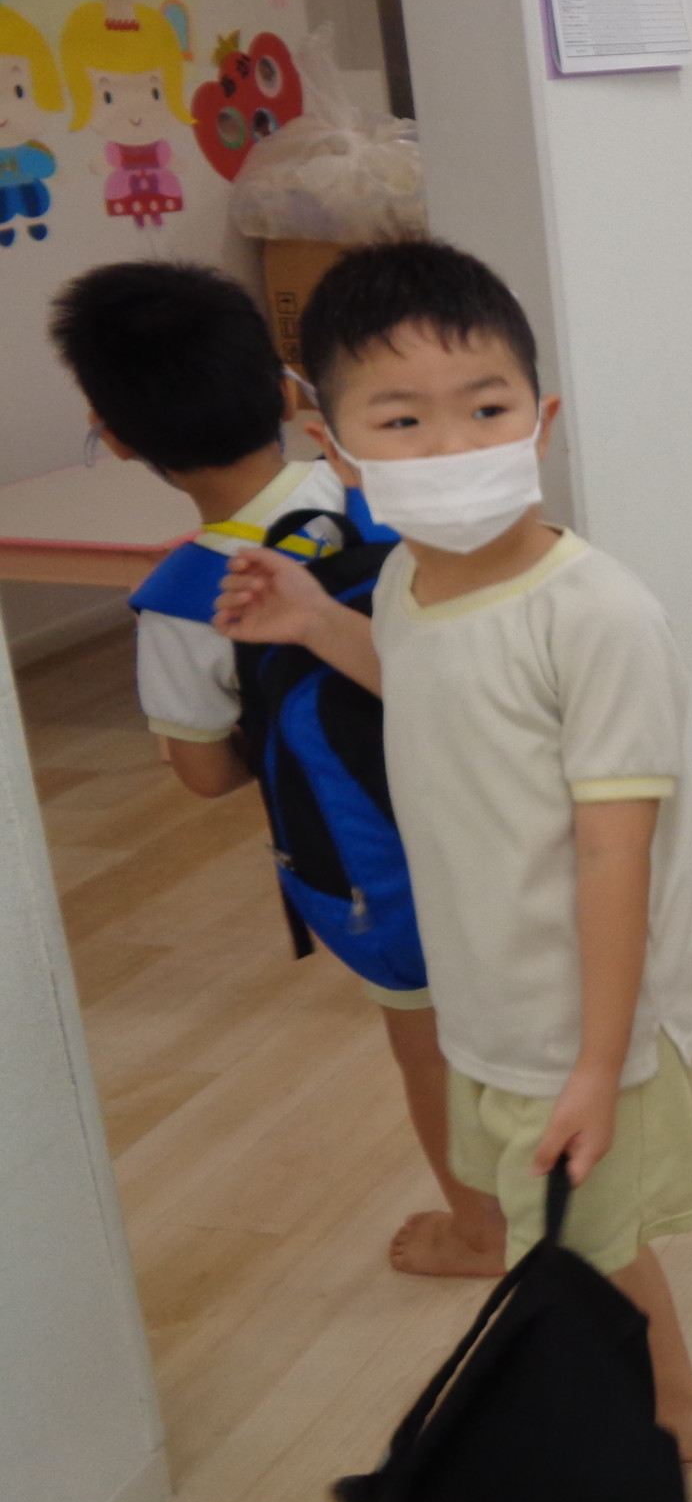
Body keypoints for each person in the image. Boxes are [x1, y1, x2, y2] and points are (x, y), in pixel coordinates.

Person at [214, 241, 692, 1462]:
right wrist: (316, 623)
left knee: (591, 1243)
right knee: (557, 1226)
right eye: (402, 420)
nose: (450, 446)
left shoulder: (597, 616)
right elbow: (435, 694)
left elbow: (613, 853)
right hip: (492, 992)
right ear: (335, 450)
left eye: (485, 409)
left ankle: (677, 1413)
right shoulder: (410, 582)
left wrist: (597, 1062)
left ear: (539, 420)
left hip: (585, 1020)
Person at [47, 260, 505, 1279]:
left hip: (379, 870)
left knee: (429, 1049)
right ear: (287, 387)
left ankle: (481, 1231)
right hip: (506, 815)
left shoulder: (186, 596)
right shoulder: (385, 493)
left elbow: (206, 776)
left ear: (116, 436)